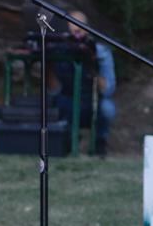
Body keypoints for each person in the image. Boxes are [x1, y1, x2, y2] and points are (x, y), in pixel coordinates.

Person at [48, 10, 116, 156]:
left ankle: (99, 144)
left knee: (107, 109)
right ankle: (65, 141)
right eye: (71, 25)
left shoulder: (100, 51)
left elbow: (109, 89)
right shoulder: (61, 50)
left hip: (92, 100)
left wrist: (92, 66)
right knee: (56, 104)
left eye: (79, 25)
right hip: (68, 99)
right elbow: (53, 87)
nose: (76, 29)